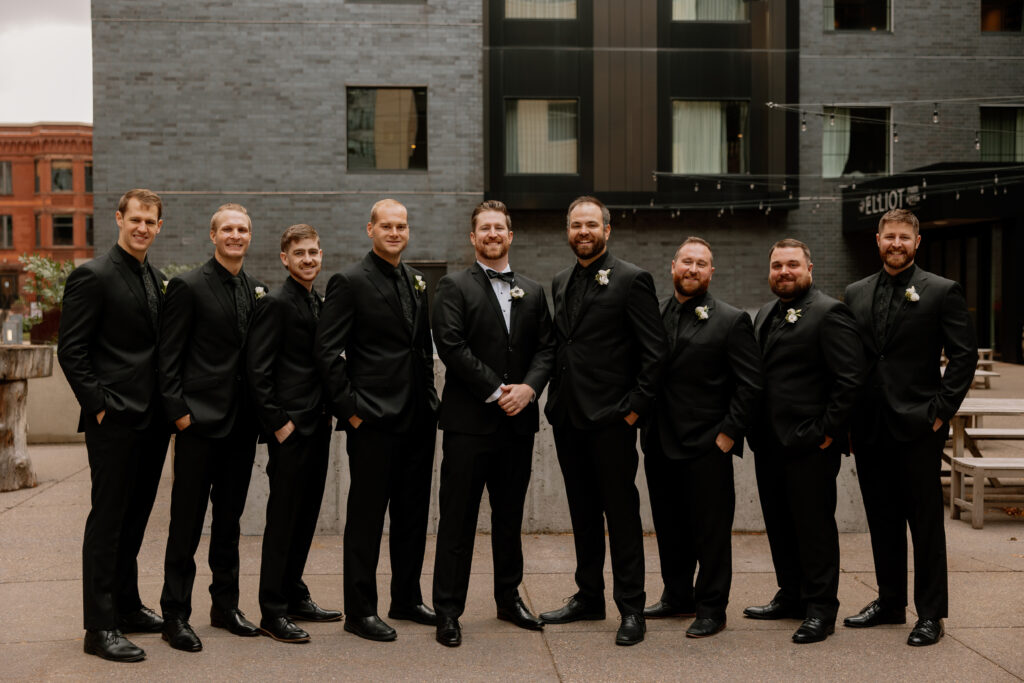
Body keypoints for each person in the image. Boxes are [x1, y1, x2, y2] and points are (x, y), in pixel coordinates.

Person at [842, 208, 976, 646]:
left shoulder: (941, 291)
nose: (895, 243)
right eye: (888, 236)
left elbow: (963, 357)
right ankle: (890, 602)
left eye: (904, 237)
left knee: (925, 524)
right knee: (882, 520)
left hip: (919, 426)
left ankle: (931, 614)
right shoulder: (855, 292)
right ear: (877, 241)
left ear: (916, 243)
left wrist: (939, 413)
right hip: (869, 428)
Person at [539, 196, 667, 646]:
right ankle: (588, 595)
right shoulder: (559, 280)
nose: (583, 231)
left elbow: (655, 354)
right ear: (568, 231)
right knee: (583, 512)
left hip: (612, 419)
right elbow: (561, 345)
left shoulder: (633, 280)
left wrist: (633, 409)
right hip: (569, 418)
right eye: (576, 225)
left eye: (591, 224)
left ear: (607, 230)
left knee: (622, 514)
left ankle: (631, 608)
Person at [430, 200, 555, 647]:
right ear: (473, 237)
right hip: (468, 426)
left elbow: (547, 349)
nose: (492, 234)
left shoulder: (534, 290)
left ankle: (509, 599)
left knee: (509, 519)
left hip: (517, 426)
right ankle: (447, 610)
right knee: (457, 522)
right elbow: (451, 345)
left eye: (499, 228)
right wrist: (498, 390)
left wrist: (528, 389)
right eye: (484, 229)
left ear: (510, 235)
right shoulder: (452, 285)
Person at [316, 198, 439, 642]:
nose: (394, 232)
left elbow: (420, 349)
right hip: (372, 421)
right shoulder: (348, 281)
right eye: (386, 225)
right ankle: (360, 610)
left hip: (417, 420)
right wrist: (351, 413)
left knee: (412, 515)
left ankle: (405, 598)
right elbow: (328, 354)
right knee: (366, 518)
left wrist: (430, 402)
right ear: (370, 229)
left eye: (401, 226)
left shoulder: (416, 280)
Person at [58, 188, 171, 662]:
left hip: (152, 420)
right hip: (114, 420)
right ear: (118, 219)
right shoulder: (92, 275)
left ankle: (126, 605)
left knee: (135, 519)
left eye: (151, 221)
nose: (143, 227)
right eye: (136, 219)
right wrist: (99, 405)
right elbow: (72, 350)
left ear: (158, 227)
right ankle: (99, 627)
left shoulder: (157, 277)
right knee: (107, 523)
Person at [157, 203, 266, 652]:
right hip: (199, 426)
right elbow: (169, 359)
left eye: (242, 229)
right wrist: (181, 416)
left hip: (241, 427)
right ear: (212, 235)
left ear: (249, 236)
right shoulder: (187, 286)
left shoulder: (257, 288)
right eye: (227, 229)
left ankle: (225, 606)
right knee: (186, 523)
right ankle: (175, 615)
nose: (235, 236)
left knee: (229, 522)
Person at [744, 238, 864, 644]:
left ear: (809, 268)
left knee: (814, 530)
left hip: (810, 445)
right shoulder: (764, 313)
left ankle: (820, 609)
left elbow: (850, 381)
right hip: (769, 443)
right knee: (780, 525)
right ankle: (791, 594)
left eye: (792, 264)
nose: (784, 272)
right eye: (777, 265)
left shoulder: (830, 313)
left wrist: (827, 433)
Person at [641, 237, 761, 639]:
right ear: (672, 265)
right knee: (669, 525)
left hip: (707, 445)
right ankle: (677, 595)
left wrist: (728, 435)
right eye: (686, 261)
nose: (693, 269)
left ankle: (712, 607)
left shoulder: (730, 319)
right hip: (659, 441)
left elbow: (750, 385)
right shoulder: (652, 315)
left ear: (712, 272)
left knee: (709, 532)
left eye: (701, 263)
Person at [246, 224, 342, 644]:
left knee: (305, 519)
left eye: (314, 252)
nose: (308, 259)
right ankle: (272, 609)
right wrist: (278, 424)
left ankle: (294, 591)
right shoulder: (277, 303)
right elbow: (257, 370)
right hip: (291, 431)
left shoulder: (317, 300)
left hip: (317, 426)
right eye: (299, 253)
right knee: (283, 521)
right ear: (285, 259)